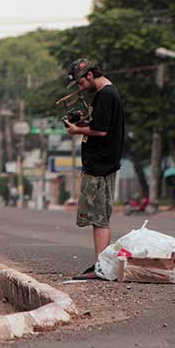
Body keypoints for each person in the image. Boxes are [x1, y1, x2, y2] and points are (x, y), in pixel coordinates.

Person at [63, 59, 125, 280]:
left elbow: (100, 131)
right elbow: (98, 124)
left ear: (89, 75)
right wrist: (82, 121)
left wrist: (75, 131)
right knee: (97, 217)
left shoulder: (107, 95)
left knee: (100, 218)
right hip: (98, 164)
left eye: (80, 82)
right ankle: (100, 264)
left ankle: (101, 267)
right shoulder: (103, 95)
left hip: (102, 165)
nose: (80, 87)